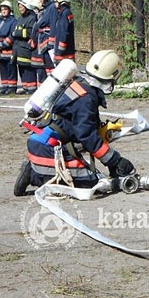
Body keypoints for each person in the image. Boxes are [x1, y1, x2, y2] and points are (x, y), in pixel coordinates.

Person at [14, 50, 135, 196]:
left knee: (88, 177)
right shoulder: (87, 98)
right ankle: (33, 173)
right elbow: (86, 136)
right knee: (89, 183)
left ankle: (35, 169)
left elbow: (79, 125)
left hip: (42, 141)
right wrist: (115, 161)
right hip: (47, 149)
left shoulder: (79, 84)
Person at [12, 0, 38, 95]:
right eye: (19, 6)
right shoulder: (21, 18)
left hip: (26, 48)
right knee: (21, 67)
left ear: (27, 6)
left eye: (21, 6)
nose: (20, 8)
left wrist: (17, 33)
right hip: (18, 48)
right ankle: (25, 86)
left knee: (28, 68)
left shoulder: (31, 18)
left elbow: (30, 32)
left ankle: (31, 88)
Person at [0, 0, 18, 94]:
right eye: (2, 9)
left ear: (9, 10)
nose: (3, 11)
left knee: (11, 68)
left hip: (9, 49)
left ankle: (12, 88)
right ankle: (5, 86)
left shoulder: (13, 21)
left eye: (5, 9)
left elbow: (13, 34)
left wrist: (5, 44)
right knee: (2, 68)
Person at [31, 0, 58, 79]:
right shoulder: (47, 8)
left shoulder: (52, 8)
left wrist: (51, 41)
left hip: (48, 41)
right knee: (47, 65)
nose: (39, 0)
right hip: (44, 40)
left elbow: (53, 25)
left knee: (51, 65)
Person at [51, 0, 76, 64]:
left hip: (65, 53)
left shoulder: (65, 13)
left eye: (55, 1)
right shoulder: (62, 13)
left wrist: (60, 49)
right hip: (63, 52)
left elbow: (64, 32)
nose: (55, 3)